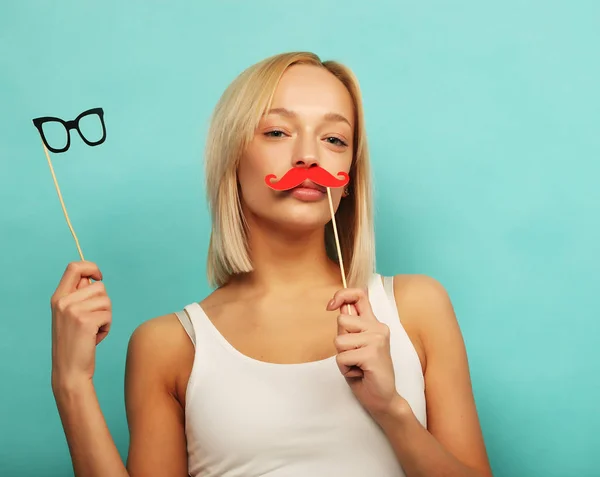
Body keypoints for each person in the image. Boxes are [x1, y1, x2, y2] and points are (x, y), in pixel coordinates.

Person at [50, 51, 494, 477]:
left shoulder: (417, 307)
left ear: (349, 179)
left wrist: (391, 409)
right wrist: (72, 382)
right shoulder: (168, 346)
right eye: (278, 133)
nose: (309, 157)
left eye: (334, 139)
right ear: (232, 158)